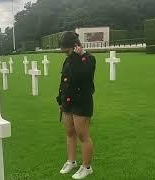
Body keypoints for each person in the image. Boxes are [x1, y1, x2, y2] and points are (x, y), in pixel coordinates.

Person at [56, 32, 96, 179]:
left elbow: (82, 75)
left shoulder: (89, 59)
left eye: (67, 51)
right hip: (68, 101)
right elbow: (64, 80)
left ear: (75, 46)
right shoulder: (68, 60)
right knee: (70, 133)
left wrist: (79, 57)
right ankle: (71, 161)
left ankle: (86, 167)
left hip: (81, 102)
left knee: (83, 135)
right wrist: (60, 100)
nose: (65, 54)